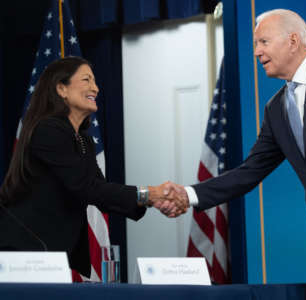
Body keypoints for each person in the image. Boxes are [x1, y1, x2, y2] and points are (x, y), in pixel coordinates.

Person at [161, 9, 306, 300]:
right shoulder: (276, 108)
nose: (256, 52)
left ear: (293, 40)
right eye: (255, 44)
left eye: (263, 42)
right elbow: (251, 170)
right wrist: (190, 194)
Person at [0, 56, 182, 278]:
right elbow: (86, 187)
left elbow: (100, 192)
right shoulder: (48, 130)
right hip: (26, 254)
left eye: (95, 81)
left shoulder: (83, 140)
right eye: (86, 80)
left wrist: (153, 199)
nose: (95, 88)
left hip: (55, 255)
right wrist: (149, 194)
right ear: (61, 89)